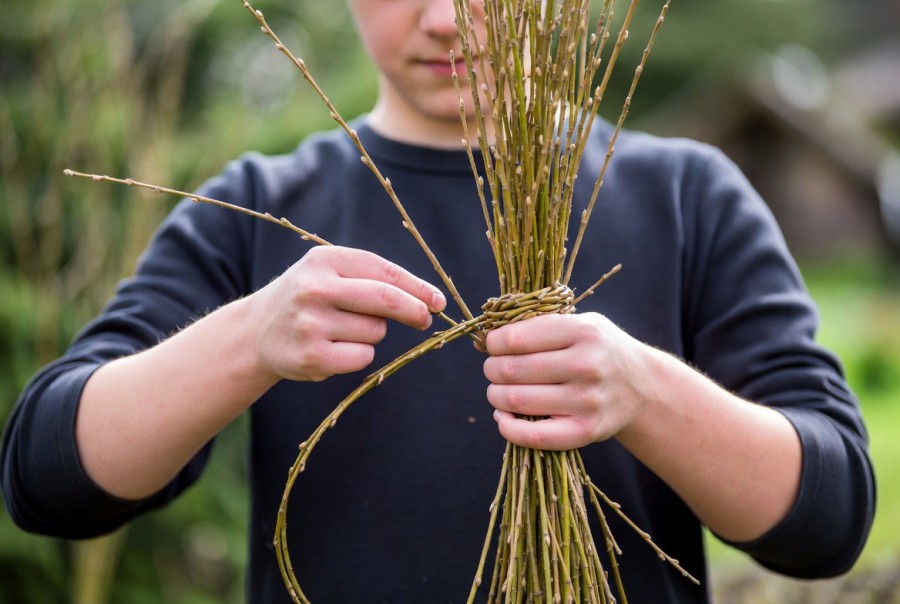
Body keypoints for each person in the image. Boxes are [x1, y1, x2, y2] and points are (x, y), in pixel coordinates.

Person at [1, 1, 875, 602]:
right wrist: (246, 340)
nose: (447, 19)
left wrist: (648, 394)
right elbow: (49, 481)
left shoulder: (687, 196)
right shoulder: (259, 207)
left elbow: (827, 522)